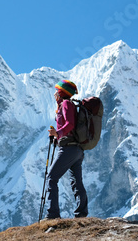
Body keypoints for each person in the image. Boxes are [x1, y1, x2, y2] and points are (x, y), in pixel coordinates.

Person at [45, 80, 88, 220]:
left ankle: (53, 214)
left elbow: (70, 124)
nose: (55, 93)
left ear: (62, 92)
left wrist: (57, 134)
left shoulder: (66, 104)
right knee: (76, 181)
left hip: (68, 149)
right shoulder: (65, 105)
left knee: (51, 178)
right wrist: (57, 136)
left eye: (57, 91)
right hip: (76, 150)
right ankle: (81, 213)